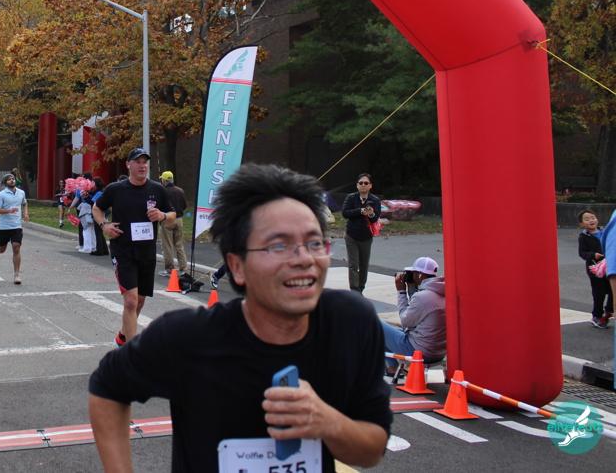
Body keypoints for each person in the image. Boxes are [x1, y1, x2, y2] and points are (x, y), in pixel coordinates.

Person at [88, 163, 391, 472]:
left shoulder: (350, 323)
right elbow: (107, 386)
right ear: (237, 266)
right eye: (279, 246)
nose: (304, 260)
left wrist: (327, 421)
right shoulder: (188, 337)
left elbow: (372, 450)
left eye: (314, 243)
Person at [92, 148, 175, 346]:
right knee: (130, 301)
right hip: (123, 251)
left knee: (139, 302)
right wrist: (104, 226)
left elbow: (172, 216)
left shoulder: (157, 189)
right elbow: (97, 208)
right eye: (137, 162)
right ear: (128, 165)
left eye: (145, 162)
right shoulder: (116, 189)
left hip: (146, 253)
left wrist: (162, 215)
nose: (142, 166)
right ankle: (130, 353)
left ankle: (122, 337)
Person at [380, 257, 446, 368]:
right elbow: (415, 315)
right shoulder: (441, 292)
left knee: (376, 325)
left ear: (420, 275)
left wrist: (401, 292)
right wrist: (411, 289)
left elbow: (406, 322)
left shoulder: (423, 297)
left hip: (419, 352)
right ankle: (394, 368)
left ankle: (393, 367)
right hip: (438, 352)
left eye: (413, 273)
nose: (411, 276)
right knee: (390, 333)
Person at [341, 173, 381, 292]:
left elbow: (375, 218)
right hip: (351, 236)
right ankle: (354, 290)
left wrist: (371, 214)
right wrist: (360, 211)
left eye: (366, 183)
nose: (363, 185)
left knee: (364, 265)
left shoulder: (374, 200)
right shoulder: (351, 198)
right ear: (357, 185)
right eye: (361, 183)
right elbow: (345, 213)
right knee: (353, 265)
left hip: (366, 237)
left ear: (370, 186)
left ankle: (360, 288)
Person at [577, 209, 613, 328]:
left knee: (612, 290)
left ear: (597, 220)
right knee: (599, 294)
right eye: (587, 219)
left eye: (593, 218)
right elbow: (582, 253)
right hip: (595, 270)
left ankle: (609, 310)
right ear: (582, 224)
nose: (591, 220)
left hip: (608, 266)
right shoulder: (584, 237)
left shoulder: (604, 232)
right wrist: (593, 255)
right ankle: (597, 316)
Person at [0, 173, 29, 284]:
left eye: (13, 179)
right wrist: (9, 211)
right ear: (5, 182)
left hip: (16, 226)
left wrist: (26, 213)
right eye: (9, 179)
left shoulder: (21, 193)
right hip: (4, 226)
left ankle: (16, 275)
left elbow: (24, 203)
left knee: (16, 247)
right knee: (2, 249)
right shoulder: (1, 195)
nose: (12, 180)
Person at [158, 171, 189, 278]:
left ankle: (169, 269)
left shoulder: (163, 191)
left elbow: (159, 206)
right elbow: (185, 205)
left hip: (167, 219)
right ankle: (183, 269)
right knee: (179, 245)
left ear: (164, 181)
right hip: (179, 219)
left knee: (167, 245)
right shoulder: (180, 191)